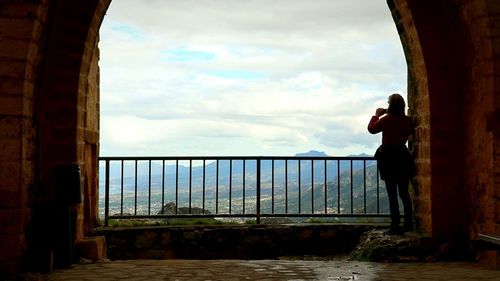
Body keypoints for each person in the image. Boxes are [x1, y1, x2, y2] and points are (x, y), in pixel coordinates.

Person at [367, 93, 414, 235]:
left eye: (388, 103)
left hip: (388, 157)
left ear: (390, 105)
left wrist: (376, 115)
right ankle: (408, 224)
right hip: (403, 155)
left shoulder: (387, 120)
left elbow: (371, 129)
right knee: (404, 193)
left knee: (392, 193)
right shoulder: (408, 120)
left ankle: (395, 226)